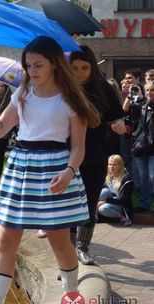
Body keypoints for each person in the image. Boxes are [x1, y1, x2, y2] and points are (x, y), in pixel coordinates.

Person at [0, 36, 100, 303]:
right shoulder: (21, 94)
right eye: (28, 66)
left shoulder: (70, 100)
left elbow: (79, 147)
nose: (32, 71)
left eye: (38, 65)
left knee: (60, 244)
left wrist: (69, 171)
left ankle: (72, 296)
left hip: (55, 170)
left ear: (54, 64)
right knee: (5, 242)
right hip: (21, 168)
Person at [69, 45, 126, 265]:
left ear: (92, 67)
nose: (80, 72)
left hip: (94, 154)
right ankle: (68, 250)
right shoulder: (63, 88)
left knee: (90, 201)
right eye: (74, 68)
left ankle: (82, 247)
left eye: (85, 67)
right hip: (66, 154)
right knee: (68, 203)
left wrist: (119, 124)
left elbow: (116, 116)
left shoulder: (103, 88)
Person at [130, 81, 154, 214]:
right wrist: (133, 96)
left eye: (153, 90)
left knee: (152, 176)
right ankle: (144, 204)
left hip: (152, 147)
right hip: (140, 145)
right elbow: (128, 111)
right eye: (148, 90)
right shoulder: (141, 105)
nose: (150, 93)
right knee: (143, 177)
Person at [96, 154, 133, 226]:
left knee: (103, 208)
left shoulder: (126, 179)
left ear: (120, 166)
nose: (111, 167)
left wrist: (105, 201)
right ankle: (95, 214)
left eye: (114, 165)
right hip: (109, 204)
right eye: (110, 164)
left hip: (121, 206)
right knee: (104, 191)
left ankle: (123, 218)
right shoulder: (108, 178)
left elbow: (123, 199)